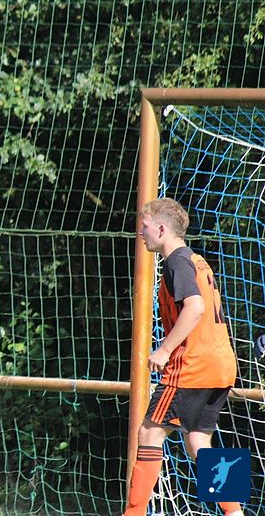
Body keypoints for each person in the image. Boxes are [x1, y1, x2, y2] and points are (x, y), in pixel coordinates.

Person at [125, 198, 242, 516]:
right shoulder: (197, 260)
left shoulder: (176, 262)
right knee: (198, 441)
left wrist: (164, 350)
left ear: (162, 229)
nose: (140, 233)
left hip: (194, 365)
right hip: (221, 364)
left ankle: (133, 513)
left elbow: (196, 307)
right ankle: (235, 512)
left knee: (150, 432)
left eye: (145, 226)